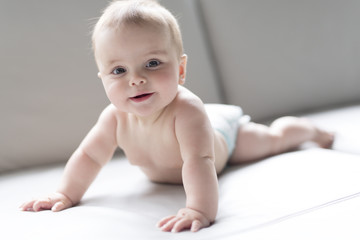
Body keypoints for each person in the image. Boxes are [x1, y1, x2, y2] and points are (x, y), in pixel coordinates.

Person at [20, 0, 334, 233]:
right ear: (102, 77)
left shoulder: (188, 111)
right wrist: (66, 193)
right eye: (119, 70)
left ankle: (307, 131)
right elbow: (89, 155)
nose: (136, 79)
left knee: (272, 140)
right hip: (190, 147)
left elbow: (199, 161)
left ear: (181, 69)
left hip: (224, 139)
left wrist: (198, 209)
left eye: (152, 63)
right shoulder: (114, 117)